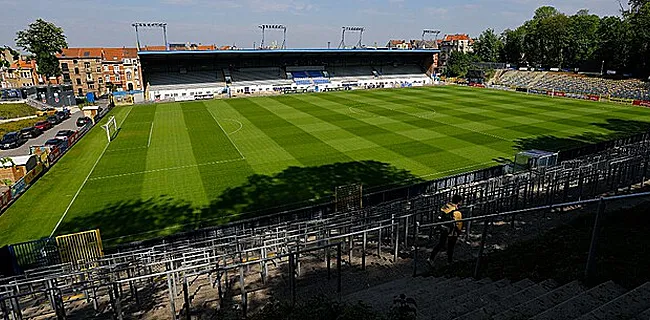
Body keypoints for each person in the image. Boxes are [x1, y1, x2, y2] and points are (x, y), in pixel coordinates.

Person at [428, 194, 464, 266]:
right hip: (452, 231)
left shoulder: (446, 206)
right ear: (459, 202)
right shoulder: (456, 212)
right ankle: (449, 261)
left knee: (441, 244)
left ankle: (431, 258)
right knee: (451, 246)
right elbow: (459, 224)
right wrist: (459, 231)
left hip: (443, 228)